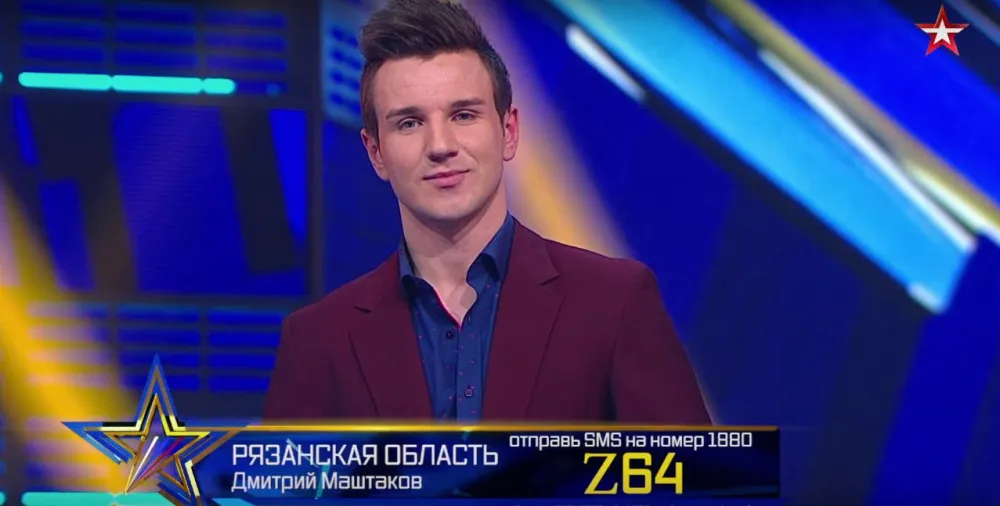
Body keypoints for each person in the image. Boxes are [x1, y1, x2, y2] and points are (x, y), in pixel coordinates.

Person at [263, 0, 709, 424]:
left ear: (508, 131)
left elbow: (694, 473)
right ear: (376, 152)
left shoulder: (615, 302)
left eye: (463, 115)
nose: (440, 146)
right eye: (409, 123)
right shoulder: (317, 342)